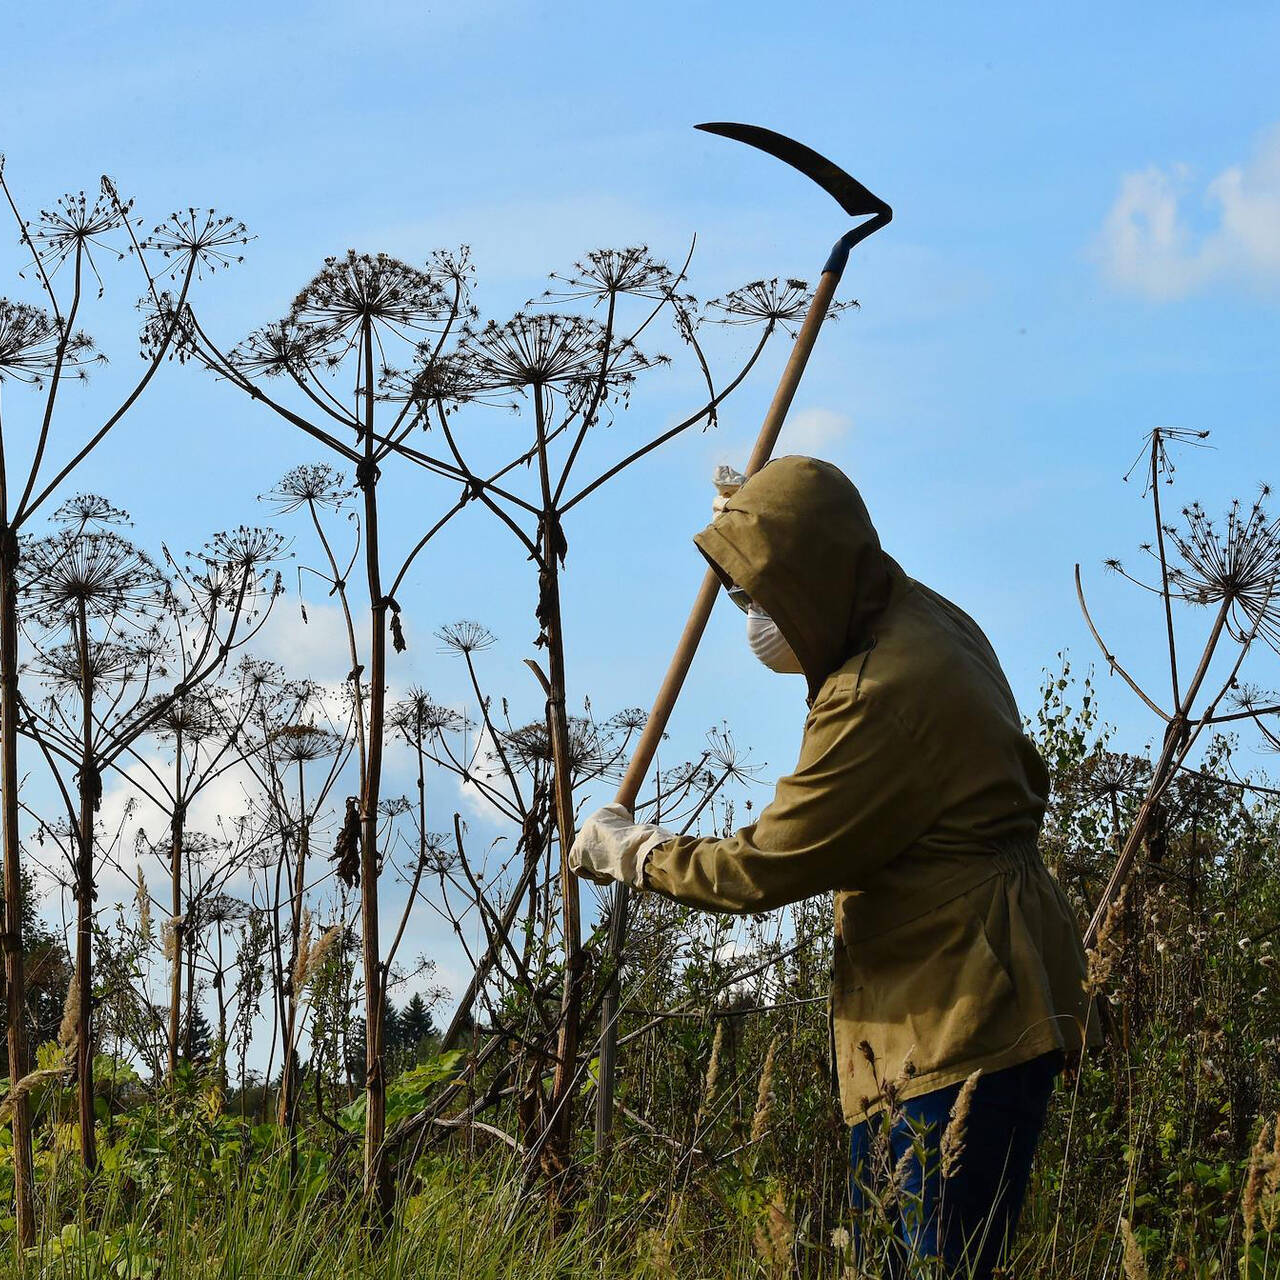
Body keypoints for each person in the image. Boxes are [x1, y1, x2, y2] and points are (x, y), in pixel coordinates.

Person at [569, 455, 1097, 1278]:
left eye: (763, 595)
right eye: (742, 596)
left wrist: (634, 852)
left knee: (930, 1264)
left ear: (813, 581)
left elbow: (763, 868)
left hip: (955, 1014)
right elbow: (823, 542)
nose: (752, 617)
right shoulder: (927, 615)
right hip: (965, 997)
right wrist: (767, 517)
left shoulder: (878, 691)